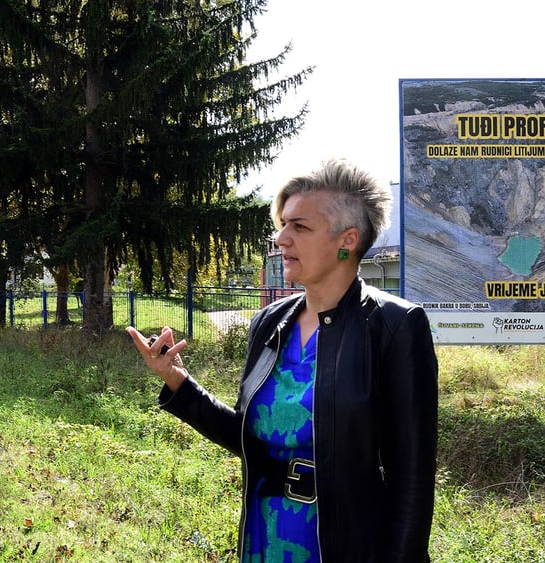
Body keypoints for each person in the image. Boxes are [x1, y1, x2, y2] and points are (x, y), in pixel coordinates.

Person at [128, 159, 438, 562]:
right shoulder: (270, 322)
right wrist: (178, 383)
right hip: (266, 533)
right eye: (282, 223)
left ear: (347, 240)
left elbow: (411, 481)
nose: (280, 238)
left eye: (300, 227)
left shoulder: (394, 327)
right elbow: (248, 437)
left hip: (346, 546)